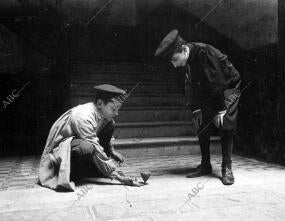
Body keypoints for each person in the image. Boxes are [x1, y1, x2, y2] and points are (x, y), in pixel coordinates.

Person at [155, 30, 241, 185]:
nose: (174, 65)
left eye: (175, 59)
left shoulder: (204, 52)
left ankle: (227, 167)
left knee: (225, 123)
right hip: (212, 89)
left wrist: (221, 110)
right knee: (201, 122)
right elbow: (192, 86)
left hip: (229, 86)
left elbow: (218, 82)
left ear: (184, 50)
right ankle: (205, 165)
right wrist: (196, 109)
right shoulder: (188, 59)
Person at [38, 84, 142, 191]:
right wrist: (117, 176)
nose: (116, 113)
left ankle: (95, 169)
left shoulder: (103, 115)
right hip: (61, 152)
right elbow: (95, 146)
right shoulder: (82, 116)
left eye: (118, 109)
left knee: (110, 124)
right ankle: (73, 173)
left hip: (84, 144)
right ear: (100, 103)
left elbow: (105, 135)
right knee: (86, 146)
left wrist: (112, 151)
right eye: (113, 109)